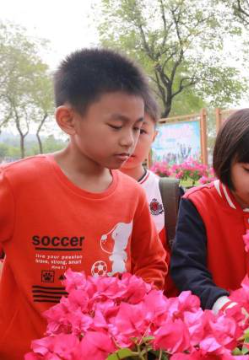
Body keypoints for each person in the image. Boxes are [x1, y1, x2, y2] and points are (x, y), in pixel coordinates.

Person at [0, 48, 168, 359]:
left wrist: (131, 310)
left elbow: (151, 263)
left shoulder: (132, 195)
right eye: (116, 126)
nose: (128, 140)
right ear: (68, 120)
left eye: (136, 128)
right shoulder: (17, 184)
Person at [170, 108, 249, 312]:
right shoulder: (198, 204)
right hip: (213, 324)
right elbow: (187, 268)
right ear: (227, 161)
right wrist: (221, 303)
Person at [120, 93, 181, 297]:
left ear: (154, 135)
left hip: (161, 313)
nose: (130, 140)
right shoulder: (90, 191)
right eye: (119, 127)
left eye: (141, 130)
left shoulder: (168, 193)